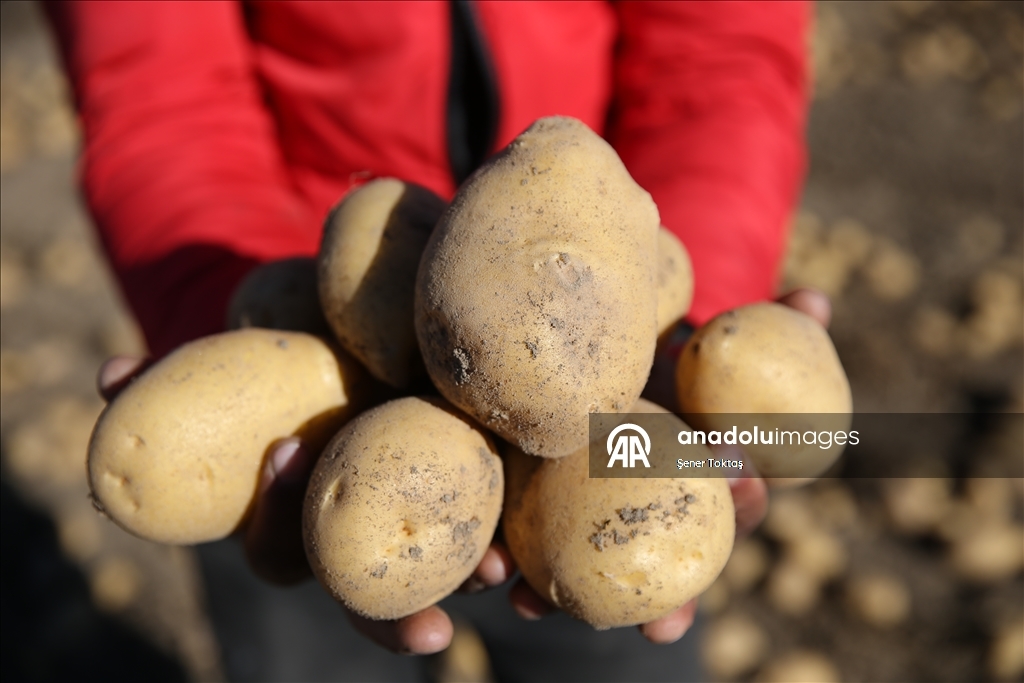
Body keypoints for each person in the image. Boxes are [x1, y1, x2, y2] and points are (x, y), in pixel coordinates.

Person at [46, 0, 826, 674]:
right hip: (310, 321)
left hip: (594, 308)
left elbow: (720, 56)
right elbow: (158, 95)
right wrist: (220, 312)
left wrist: (687, 340)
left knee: (618, 632)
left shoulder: (583, 215)